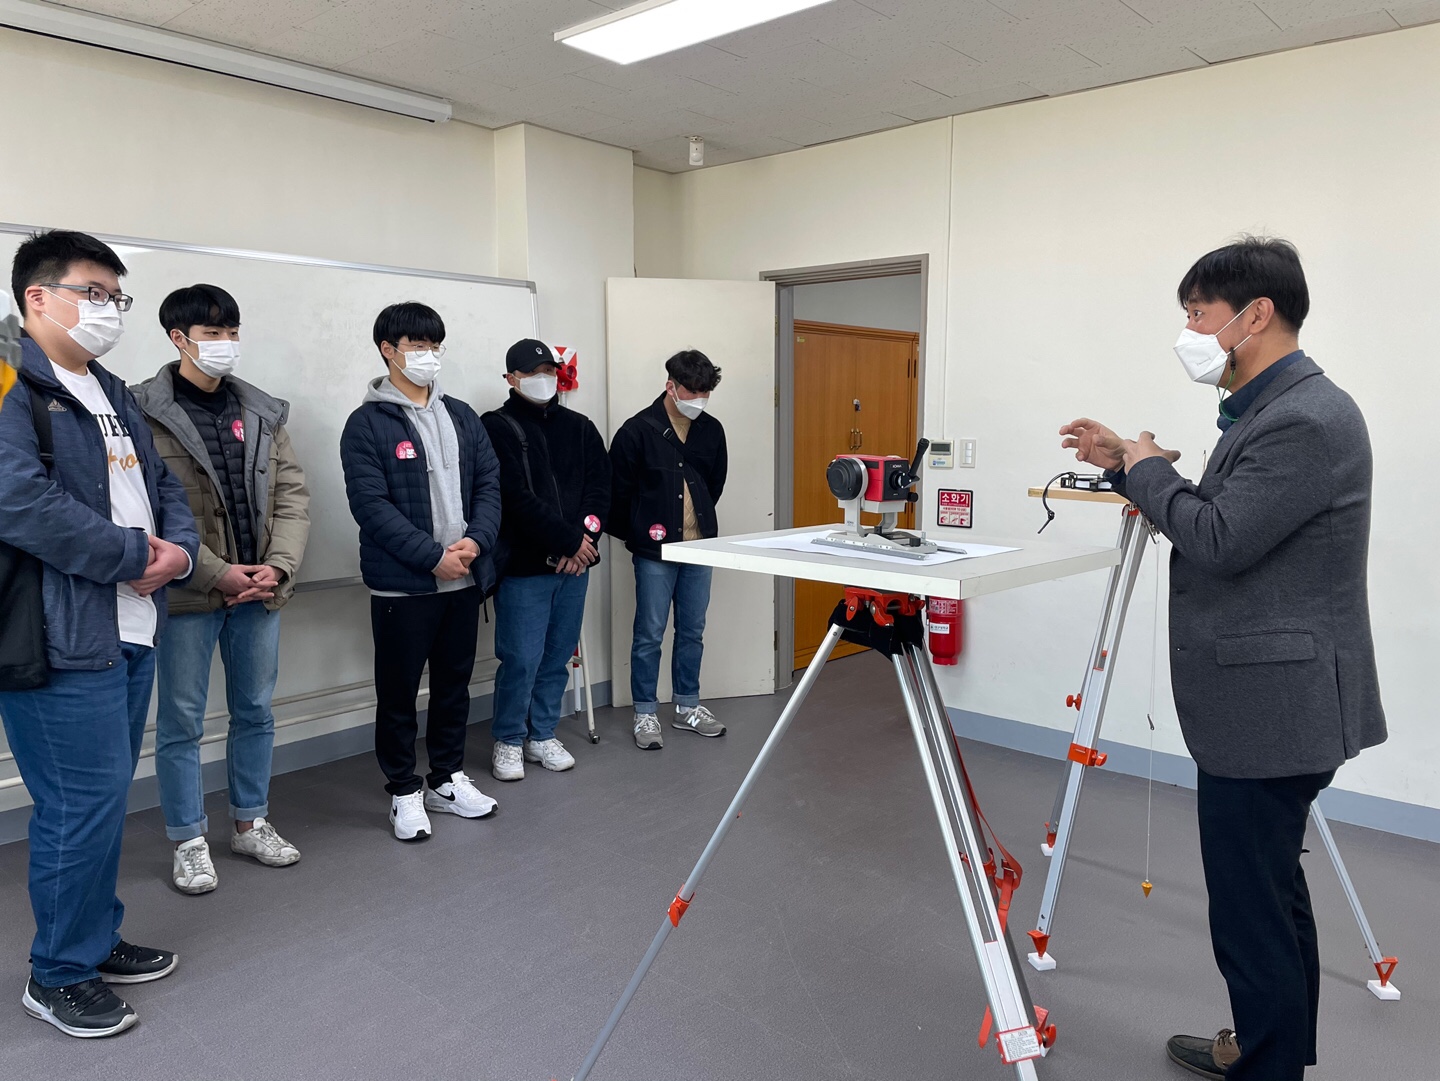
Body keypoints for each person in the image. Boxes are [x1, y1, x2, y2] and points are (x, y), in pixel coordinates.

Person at [1059, 237, 1386, 1081]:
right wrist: (1128, 465)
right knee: (1271, 894)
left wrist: (1148, 469)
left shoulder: (1307, 418)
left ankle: (1267, 1065)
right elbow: (1230, 514)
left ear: (1256, 315)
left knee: (1250, 913)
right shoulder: (1272, 412)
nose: (1191, 332)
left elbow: (1219, 537)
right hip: (1274, 703)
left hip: (1273, 710)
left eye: (1198, 313)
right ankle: (1272, 1050)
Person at [0, 230, 200, 1037]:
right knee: (77, 803)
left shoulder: (110, 387)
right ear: (37, 296)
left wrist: (180, 551)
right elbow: (19, 501)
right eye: (93, 292)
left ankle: (91, 935)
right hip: (58, 633)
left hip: (132, 624)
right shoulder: (8, 382)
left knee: (106, 798)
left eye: (117, 296)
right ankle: (56, 972)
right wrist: (133, 556)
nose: (109, 309)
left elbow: (162, 484)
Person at [133, 284, 310, 894]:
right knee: (181, 721)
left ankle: (250, 822)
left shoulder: (262, 411)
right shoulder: (140, 410)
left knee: (255, 711)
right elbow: (145, 507)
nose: (226, 343)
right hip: (187, 593)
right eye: (212, 333)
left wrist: (277, 567)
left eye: (232, 332)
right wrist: (215, 572)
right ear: (178, 338)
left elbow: (292, 497)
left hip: (259, 591)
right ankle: (188, 839)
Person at [340, 302, 502, 842]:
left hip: (465, 579)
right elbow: (371, 506)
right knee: (399, 693)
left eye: (435, 346)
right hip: (404, 587)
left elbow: (489, 485)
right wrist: (433, 556)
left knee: (454, 686)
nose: (429, 356)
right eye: (417, 345)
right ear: (388, 350)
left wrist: (476, 542)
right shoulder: (366, 424)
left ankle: (447, 779)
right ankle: (404, 791)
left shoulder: (462, 415)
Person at [481, 339, 609, 781]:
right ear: (511, 378)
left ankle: (542, 735)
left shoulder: (580, 426)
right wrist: (569, 542)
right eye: (533, 372)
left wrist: (585, 540)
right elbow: (514, 497)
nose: (544, 379)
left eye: (550, 371)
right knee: (520, 658)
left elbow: (600, 488)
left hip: (575, 566)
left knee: (557, 657)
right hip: (525, 568)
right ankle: (508, 739)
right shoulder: (496, 426)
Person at [607, 349, 727, 750]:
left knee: (692, 631)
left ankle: (687, 707)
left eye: (705, 392)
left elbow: (713, 485)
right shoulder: (636, 431)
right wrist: (641, 533)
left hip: (700, 548)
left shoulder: (712, 430)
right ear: (670, 386)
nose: (698, 399)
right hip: (654, 553)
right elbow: (617, 494)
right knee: (649, 634)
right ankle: (645, 712)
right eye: (691, 391)